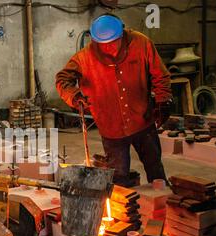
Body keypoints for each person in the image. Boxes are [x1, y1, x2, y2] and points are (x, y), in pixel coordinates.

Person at [56, 13, 173, 187]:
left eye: (114, 43)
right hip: (111, 128)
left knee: (156, 170)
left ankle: (163, 206)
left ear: (122, 34)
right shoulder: (85, 57)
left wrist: (163, 100)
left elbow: (160, 74)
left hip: (142, 120)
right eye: (104, 45)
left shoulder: (141, 43)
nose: (110, 48)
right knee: (118, 180)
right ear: (95, 42)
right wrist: (75, 96)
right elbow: (62, 79)